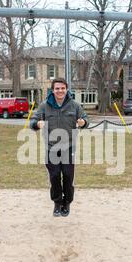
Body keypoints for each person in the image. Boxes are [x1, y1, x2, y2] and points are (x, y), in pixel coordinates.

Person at [30, 78, 89, 217]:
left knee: (68, 176)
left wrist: (83, 122)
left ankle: (66, 202)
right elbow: (33, 121)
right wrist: (37, 124)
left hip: (69, 147)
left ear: (66, 89)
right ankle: (57, 202)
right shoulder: (44, 106)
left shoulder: (74, 105)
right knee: (55, 176)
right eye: (57, 88)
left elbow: (86, 119)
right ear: (53, 90)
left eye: (62, 88)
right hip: (51, 148)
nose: (60, 91)